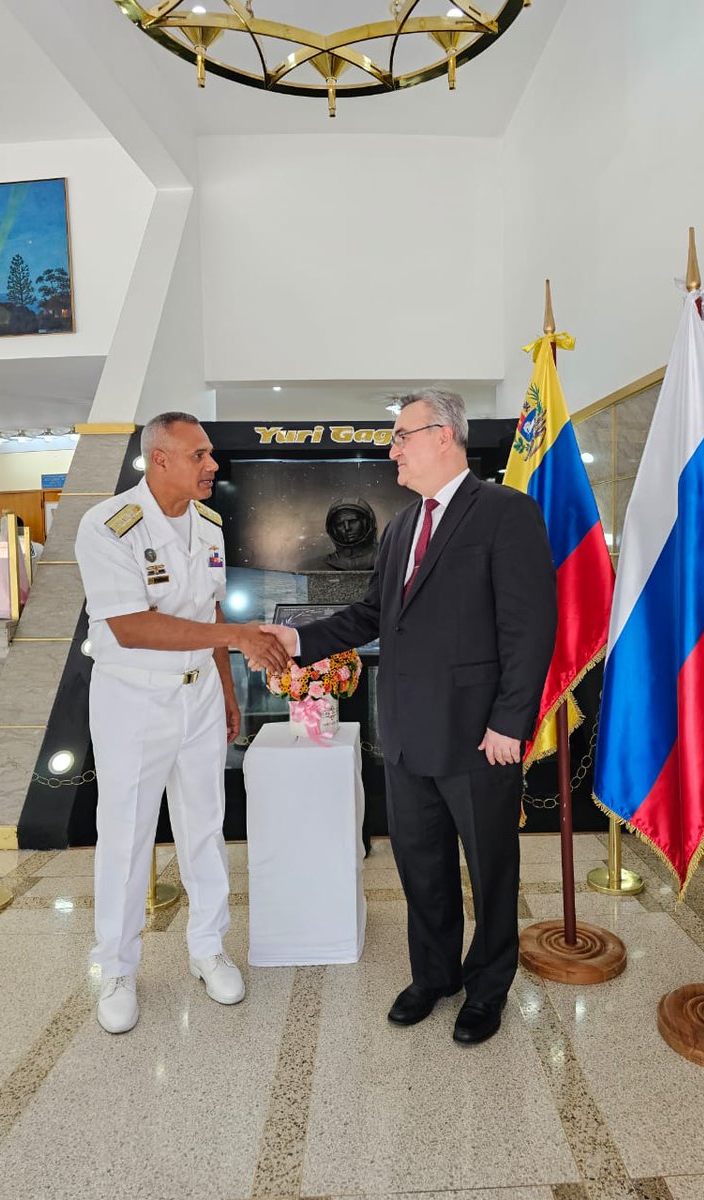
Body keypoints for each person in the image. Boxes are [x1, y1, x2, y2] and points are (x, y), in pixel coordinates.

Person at [262, 390, 556, 1045]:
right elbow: (371, 615)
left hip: (480, 737)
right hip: (405, 733)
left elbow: (529, 626)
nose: (391, 449)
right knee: (420, 866)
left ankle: (487, 988)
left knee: (490, 869)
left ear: (444, 436)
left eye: (401, 436)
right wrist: (297, 641)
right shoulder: (400, 527)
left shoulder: (506, 512)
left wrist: (511, 721)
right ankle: (434, 976)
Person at [75, 411, 288, 1034]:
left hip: (198, 698)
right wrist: (235, 635)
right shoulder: (108, 527)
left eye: (210, 454)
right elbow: (131, 626)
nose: (212, 465)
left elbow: (208, 608)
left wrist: (226, 689)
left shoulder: (210, 525)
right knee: (125, 834)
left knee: (204, 825)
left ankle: (207, 947)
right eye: (199, 455)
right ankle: (115, 966)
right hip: (132, 700)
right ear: (158, 459)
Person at [322, 497, 378, 570]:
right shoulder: (323, 564)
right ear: (333, 530)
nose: (347, 528)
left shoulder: (388, 556)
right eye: (340, 524)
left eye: (353, 521)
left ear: (367, 523)